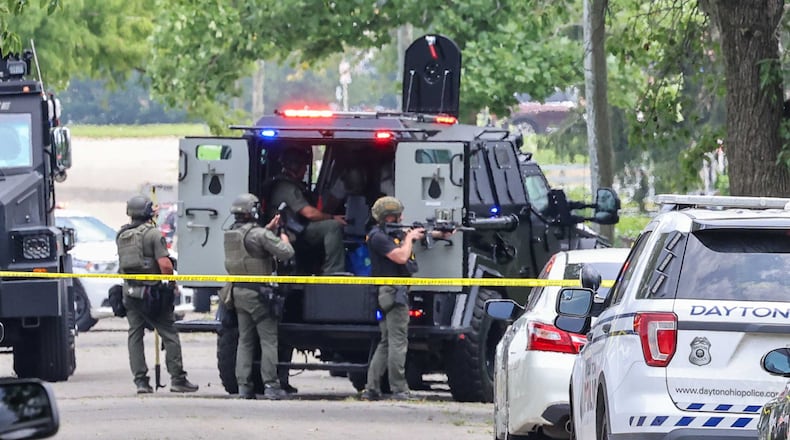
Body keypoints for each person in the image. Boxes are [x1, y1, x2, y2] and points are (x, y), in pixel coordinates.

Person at [359, 196, 452, 401]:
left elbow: (415, 236)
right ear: (389, 217)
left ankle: (372, 388)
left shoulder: (388, 233)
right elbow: (401, 256)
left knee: (386, 342)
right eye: (398, 215)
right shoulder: (378, 237)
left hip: (388, 292)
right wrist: (409, 238)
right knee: (398, 342)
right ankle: (399, 389)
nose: (402, 218)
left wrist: (438, 233)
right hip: (393, 293)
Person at [116, 194, 198, 394]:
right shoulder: (153, 234)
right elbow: (165, 265)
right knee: (169, 333)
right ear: (146, 212)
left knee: (135, 335)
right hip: (152, 294)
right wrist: (171, 283)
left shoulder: (122, 235)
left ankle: (141, 382)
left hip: (130, 292)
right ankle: (178, 379)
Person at [223, 193, 295, 400]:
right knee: (268, 341)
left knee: (245, 340)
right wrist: (283, 238)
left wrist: (267, 230)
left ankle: (244, 386)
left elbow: (252, 245)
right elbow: (286, 253)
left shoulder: (231, 234)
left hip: (237, 292)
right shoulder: (260, 235)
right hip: (259, 294)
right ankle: (271, 385)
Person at [267, 147, 346, 274]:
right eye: (304, 166)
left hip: (296, 228)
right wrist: (332, 217)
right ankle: (333, 272)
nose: (305, 170)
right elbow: (309, 213)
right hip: (292, 231)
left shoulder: (289, 184)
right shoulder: (286, 187)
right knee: (332, 226)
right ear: (295, 167)